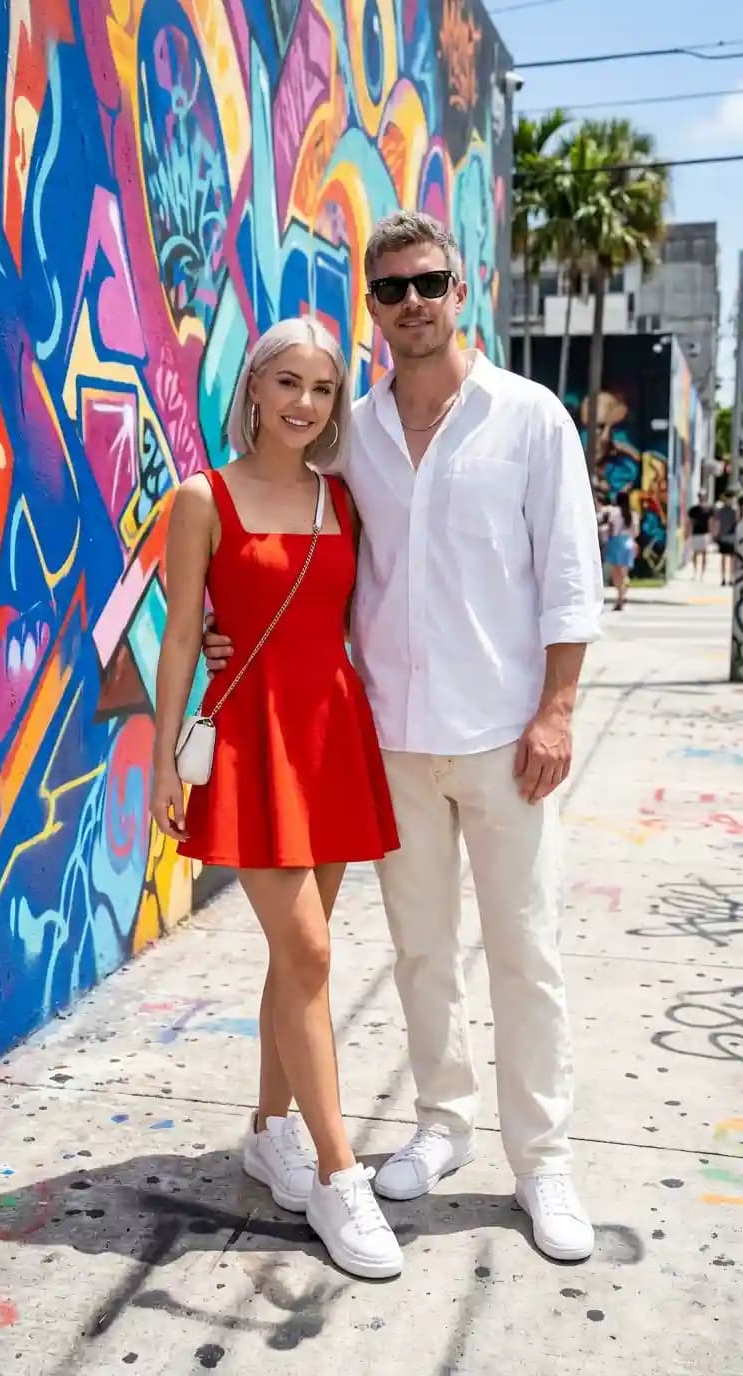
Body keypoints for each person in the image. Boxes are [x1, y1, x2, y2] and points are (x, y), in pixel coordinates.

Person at [203, 212, 604, 1263]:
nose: (413, 301)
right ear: (372, 311)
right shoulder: (354, 437)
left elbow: (570, 577)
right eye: (391, 289)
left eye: (428, 280)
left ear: (458, 286)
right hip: (387, 739)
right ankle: (442, 1123)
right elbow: (306, 566)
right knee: (422, 950)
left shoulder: (530, 417)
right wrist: (216, 627)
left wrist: (558, 708)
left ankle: (542, 1159)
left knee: (526, 952)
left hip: (507, 733)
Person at [151, 316, 403, 1281]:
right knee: (307, 948)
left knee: (295, 961)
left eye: (323, 389)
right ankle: (340, 1176)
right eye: (287, 383)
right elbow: (182, 636)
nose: (304, 404)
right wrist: (171, 758)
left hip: (331, 738)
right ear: (253, 387)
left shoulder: (343, 499)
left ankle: (269, 1129)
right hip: (251, 744)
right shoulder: (201, 498)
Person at [603, 490, 639, 611]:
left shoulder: (614, 512)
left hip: (616, 543)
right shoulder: (633, 514)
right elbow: (636, 532)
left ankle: (620, 598)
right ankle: (623, 590)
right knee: (624, 573)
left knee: (616, 574)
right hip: (628, 543)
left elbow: (611, 529)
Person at [712, 491, 738, 586]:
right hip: (731, 537)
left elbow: (717, 524)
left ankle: (724, 578)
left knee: (725, 558)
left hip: (725, 537)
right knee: (731, 559)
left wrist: (715, 535)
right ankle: (730, 578)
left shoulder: (721, 510)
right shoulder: (735, 510)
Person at [687, 490, 713, 578]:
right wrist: (688, 534)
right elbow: (690, 523)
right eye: (700, 496)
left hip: (705, 534)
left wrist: (711, 535)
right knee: (695, 553)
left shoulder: (709, 509)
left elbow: (710, 522)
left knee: (704, 553)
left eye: (703, 496)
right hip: (695, 534)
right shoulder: (693, 509)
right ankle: (695, 572)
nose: (701, 498)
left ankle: (702, 573)